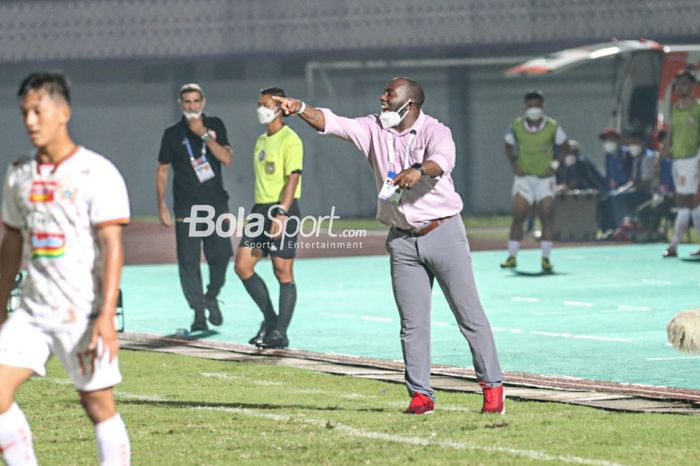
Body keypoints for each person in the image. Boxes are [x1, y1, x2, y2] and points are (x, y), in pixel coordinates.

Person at [271, 77, 505, 415]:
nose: (382, 97)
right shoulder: (372, 128)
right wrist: (301, 108)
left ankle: (493, 389)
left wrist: (419, 169)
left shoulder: (435, 131)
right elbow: (332, 122)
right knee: (412, 323)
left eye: (389, 94)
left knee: (469, 316)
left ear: (409, 104)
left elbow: (443, 160)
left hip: (443, 233)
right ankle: (421, 396)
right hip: (402, 241)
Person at [0, 72, 131, 465]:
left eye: (38, 111)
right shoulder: (18, 175)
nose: (30, 121)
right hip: (32, 312)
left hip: (83, 313)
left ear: (64, 112)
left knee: (97, 405)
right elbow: (10, 246)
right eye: (25, 112)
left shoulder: (97, 172)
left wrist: (107, 317)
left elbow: (112, 247)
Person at [156, 83, 234, 331]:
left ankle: (211, 295)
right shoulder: (172, 134)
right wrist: (161, 205)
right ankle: (198, 312)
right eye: (187, 102)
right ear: (181, 105)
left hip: (216, 204)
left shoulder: (216, 125)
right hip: (186, 207)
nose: (192, 106)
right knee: (188, 262)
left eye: (195, 101)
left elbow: (226, 158)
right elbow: (162, 170)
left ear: (203, 103)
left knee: (221, 255)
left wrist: (204, 135)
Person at [234, 88, 303, 349]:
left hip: (282, 209)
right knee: (242, 266)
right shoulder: (261, 140)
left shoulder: (291, 139)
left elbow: (293, 178)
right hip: (259, 209)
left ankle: (280, 333)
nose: (259, 109)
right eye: (258, 104)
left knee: (282, 271)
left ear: (278, 108)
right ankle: (271, 321)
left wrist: (282, 213)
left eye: (264, 105)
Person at [501, 90, 569, 272]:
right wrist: (514, 163)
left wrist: (554, 165)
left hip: (545, 179)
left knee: (547, 216)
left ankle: (546, 258)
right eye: (530, 106)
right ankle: (512, 256)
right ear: (525, 107)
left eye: (537, 106)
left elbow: (564, 145)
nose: (534, 109)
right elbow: (508, 145)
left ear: (543, 106)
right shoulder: (516, 126)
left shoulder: (552, 126)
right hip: (524, 178)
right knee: (518, 216)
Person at [661, 69, 700, 258]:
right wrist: (662, 154)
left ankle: (674, 244)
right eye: (678, 83)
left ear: (692, 86)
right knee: (689, 203)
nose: (680, 87)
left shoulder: (698, 109)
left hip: (693, 159)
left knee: (686, 201)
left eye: (684, 83)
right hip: (678, 160)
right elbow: (671, 134)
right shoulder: (676, 108)